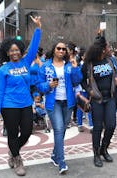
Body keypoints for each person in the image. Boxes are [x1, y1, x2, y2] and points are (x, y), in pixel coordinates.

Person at [0, 16, 42, 176]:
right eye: (11, 50)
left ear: (20, 51)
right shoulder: (3, 70)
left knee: (27, 131)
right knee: (12, 134)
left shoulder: (26, 62)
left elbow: (34, 48)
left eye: (17, 50)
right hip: (9, 106)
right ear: (7, 53)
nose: (14, 52)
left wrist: (38, 29)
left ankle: (13, 151)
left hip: (26, 104)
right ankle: (17, 158)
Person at [37, 41, 82, 174]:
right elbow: (39, 85)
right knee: (58, 129)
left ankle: (55, 155)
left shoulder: (69, 65)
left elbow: (77, 81)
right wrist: (48, 85)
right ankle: (61, 162)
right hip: (53, 102)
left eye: (64, 49)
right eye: (59, 48)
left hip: (68, 102)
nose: (61, 51)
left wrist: (75, 68)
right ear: (54, 49)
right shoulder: (45, 66)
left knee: (61, 131)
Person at [81, 35, 117, 167]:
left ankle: (104, 148)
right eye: (108, 46)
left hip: (110, 98)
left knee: (111, 125)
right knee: (97, 127)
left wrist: (116, 80)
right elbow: (81, 79)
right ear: (102, 49)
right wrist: (88, 90)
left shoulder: (110, 60)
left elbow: (116, 73)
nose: (109, 48)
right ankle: (96, 154)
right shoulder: (89, 63)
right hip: (97, 99)